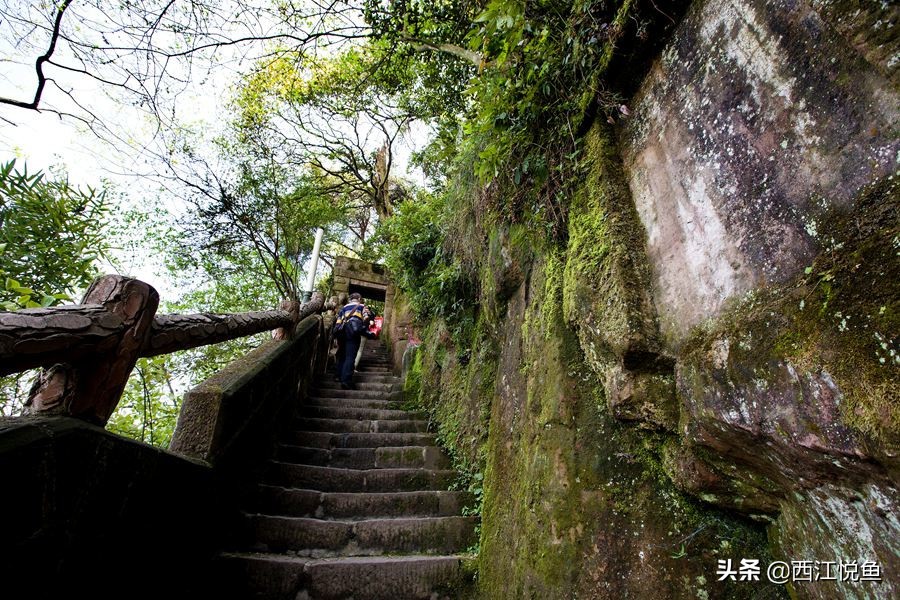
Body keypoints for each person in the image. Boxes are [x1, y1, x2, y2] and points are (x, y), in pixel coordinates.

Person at [333, 293, 375, 389]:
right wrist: (365, 328)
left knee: (342, 355)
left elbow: (338, 322)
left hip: (343, 334)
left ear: (350, 299)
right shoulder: (362, 306)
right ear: (359, 298)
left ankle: (338, 375)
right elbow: (367, 318)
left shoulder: (344, 308)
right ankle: (346, 380)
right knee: (350, 356)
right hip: (353, 333)